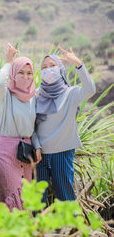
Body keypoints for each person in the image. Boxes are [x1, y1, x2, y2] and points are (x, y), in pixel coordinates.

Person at [33, 45, 96, 204]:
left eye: (52, 65)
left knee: (65, 197)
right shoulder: (36, 95)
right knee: (37, 200)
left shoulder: (71, 94)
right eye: (44, 67)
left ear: (60, 69)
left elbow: (90, 89)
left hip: (62, 153)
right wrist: (36, 146)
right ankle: (37, 229)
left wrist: (78, 64)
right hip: (39, 155)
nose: (48, 70)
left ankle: (72, 229)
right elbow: (30, 125)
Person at [0, 44, 42, 211]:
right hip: (5, 152)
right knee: (11, 196)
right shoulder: (5, 94)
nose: (25, 77)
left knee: (24, 197)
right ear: (13, 74)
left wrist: (38, 147)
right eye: (20, 72)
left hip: (25, 154)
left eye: (29, 73)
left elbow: (32, 127)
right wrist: (9, 62)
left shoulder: (32, 98)